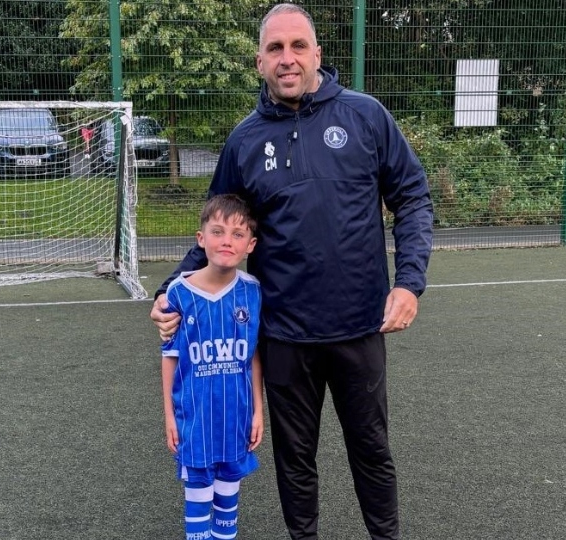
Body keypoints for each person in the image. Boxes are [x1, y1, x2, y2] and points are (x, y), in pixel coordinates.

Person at [151, 4, 433, 538]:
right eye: (275, 49)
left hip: (359, 328)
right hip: (283, 336)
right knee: (295, 462)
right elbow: (219, 228)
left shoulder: (365, 116)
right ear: (259, 61)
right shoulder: (245, 140)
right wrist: (171, 290)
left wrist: (409, 282)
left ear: (317, 54)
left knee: (371, 453)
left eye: (298, 46)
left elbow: (413, 198)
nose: (287, 59)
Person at [160, 194, 265, 539]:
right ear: (201, 238)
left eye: (237, 235)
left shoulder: (252, 292)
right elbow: (170, 357)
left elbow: (252, 355)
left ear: (250, 245)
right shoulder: (179, 292)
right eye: (217, 231)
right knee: (198, 500)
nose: (226, 241)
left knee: (228, 502)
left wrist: (257, 411)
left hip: (236, 415)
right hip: (195, 417)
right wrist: (169, 416)